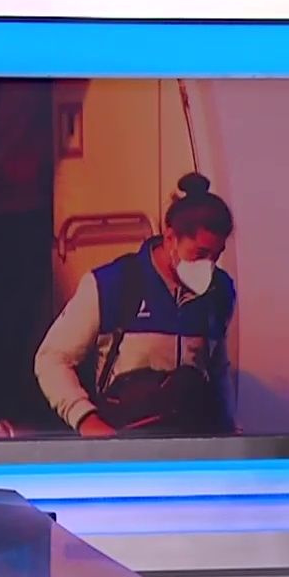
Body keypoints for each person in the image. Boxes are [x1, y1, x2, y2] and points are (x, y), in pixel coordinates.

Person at [34, 173, 237, 437]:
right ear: (170, 238)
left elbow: (218, 371)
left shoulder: (219, 292)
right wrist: (85, 419)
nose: (208, 266)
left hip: (192, 442)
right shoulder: (112, 284)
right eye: (200, 254)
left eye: (216, 256)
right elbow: (51, 359)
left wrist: (229, 430)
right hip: (127, 438)